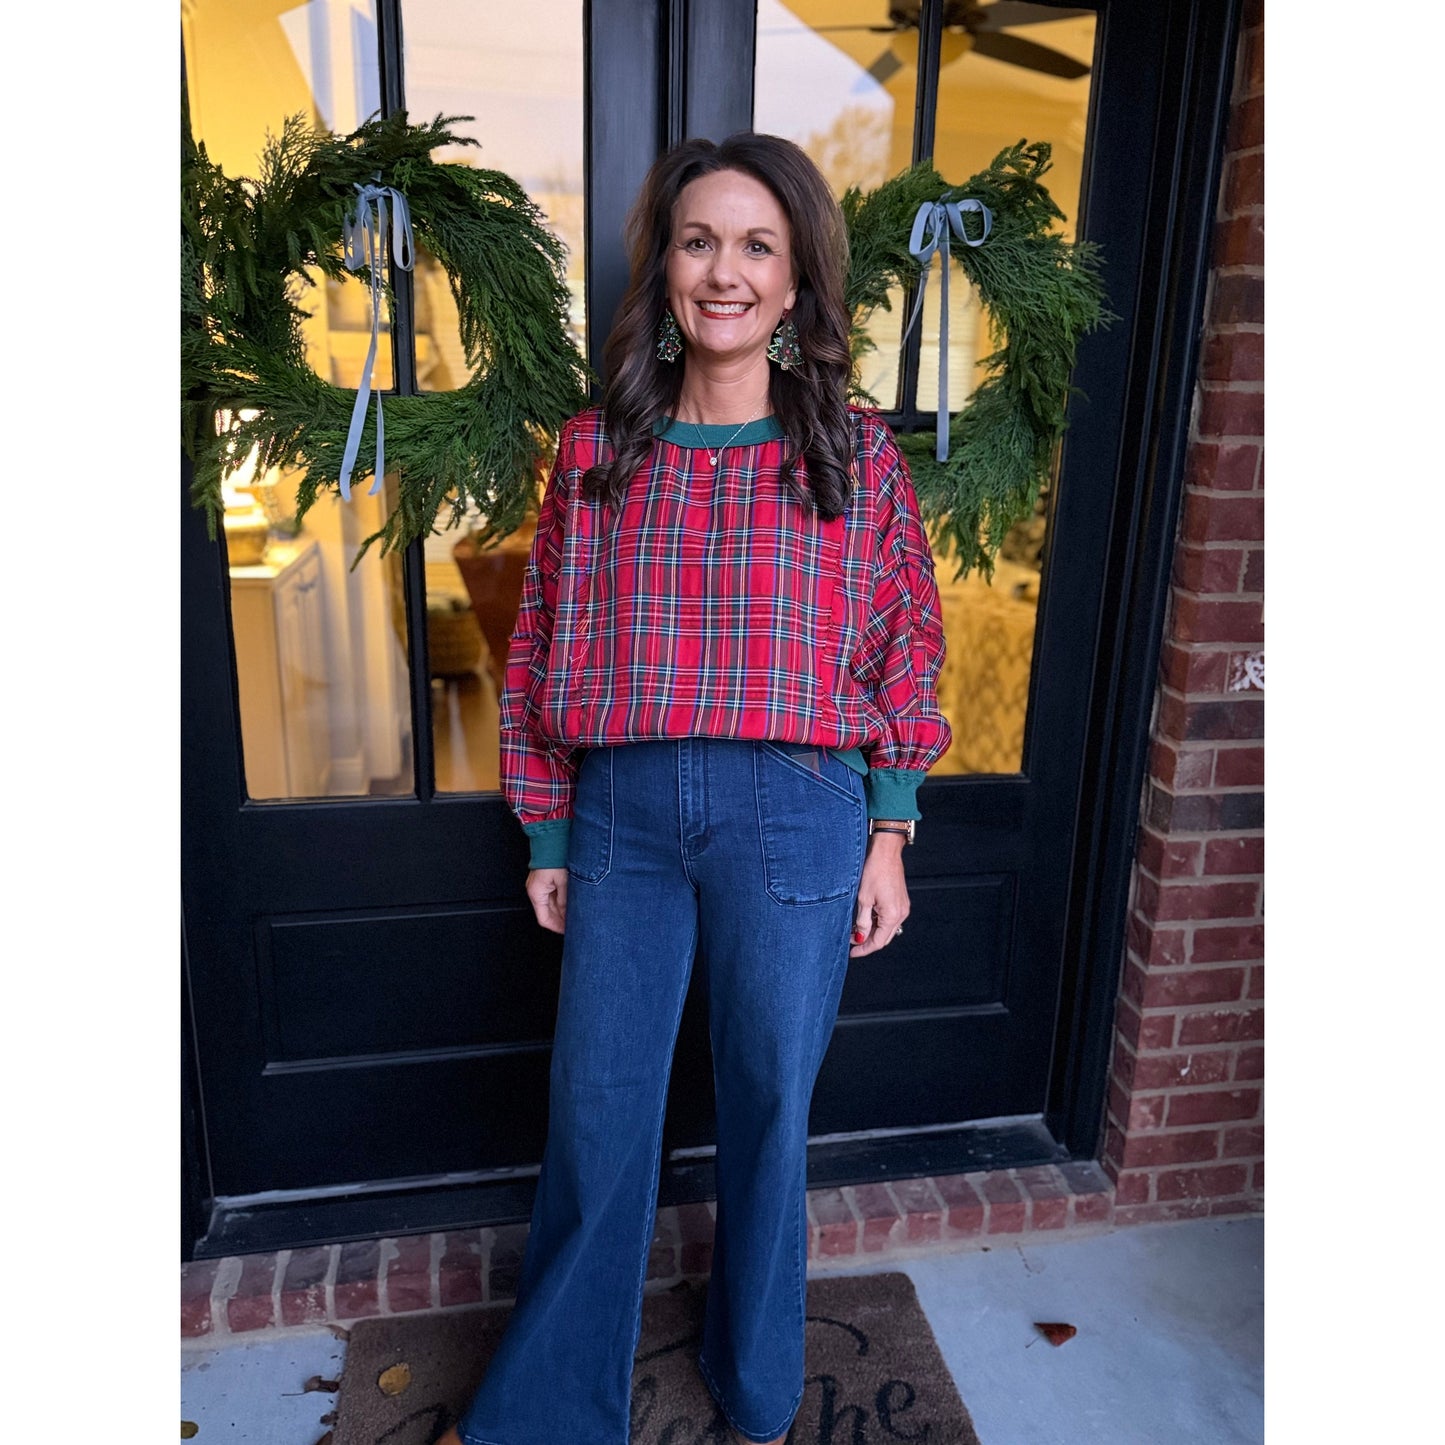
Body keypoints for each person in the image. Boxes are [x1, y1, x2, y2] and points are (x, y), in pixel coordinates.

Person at [441, 131, 952, 1445]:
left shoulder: (848, 450)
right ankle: (547, 1412)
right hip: (620, 812)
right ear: (664, 267)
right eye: (698, 240)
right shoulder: (595, 450)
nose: (723, 271)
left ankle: (758, 1391)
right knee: (597, 1114)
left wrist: (888, 828)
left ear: (795, 285)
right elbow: (544, 634)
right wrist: (546, 824)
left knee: (769, 1112)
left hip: (794, 811)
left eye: (756, 245)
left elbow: (903, 637)